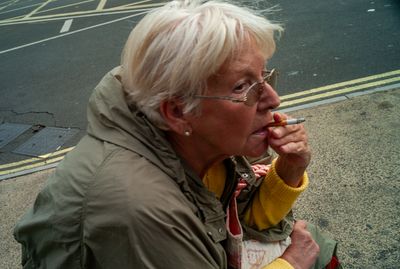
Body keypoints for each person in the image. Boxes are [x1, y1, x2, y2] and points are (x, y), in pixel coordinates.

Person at [14, 1, 340, 268]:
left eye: (264, 75)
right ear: (178, 111)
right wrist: (291, 264)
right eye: (242, 87)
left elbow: (235, 220)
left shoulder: (193, 144)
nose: (273, 99)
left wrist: (290, 168)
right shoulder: (139, 207)